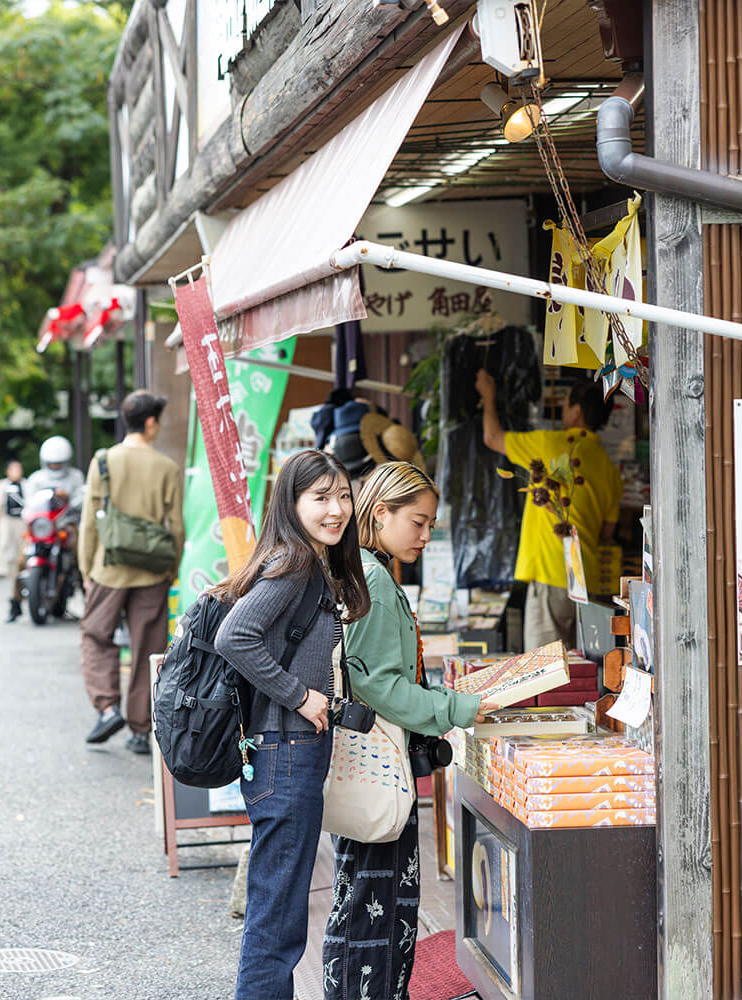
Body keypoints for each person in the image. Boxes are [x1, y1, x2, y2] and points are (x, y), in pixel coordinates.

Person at [322, 462, 495, 1000]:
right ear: (380, 513)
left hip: (368, 764)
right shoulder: (372, 576)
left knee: (367, 901)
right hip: (375, 766)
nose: (425, 534)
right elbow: (377, 686)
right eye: (417, 522)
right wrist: (458, 708)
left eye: (430, 524)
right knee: (375, 906)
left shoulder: (365, 570)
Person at [212, 450, 371, 1000]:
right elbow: (234, 636)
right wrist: (300, 694)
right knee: (277, 918)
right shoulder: (294, 563)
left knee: (277, 909)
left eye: (343, 496)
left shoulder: (303, 560)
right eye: (321, 498)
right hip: (285, 749)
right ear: (292, 502)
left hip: (283, 751)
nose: (337, 509)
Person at [475, 371, 624, 649]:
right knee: (583, 667)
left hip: (550, 572)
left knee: (547, 671)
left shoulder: (548, 444)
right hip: (586, 580)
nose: (563, 410)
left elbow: (492, 437)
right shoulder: (609, 468)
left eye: (566, 404)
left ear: (576, 412)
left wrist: (488, 395)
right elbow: (607, 532)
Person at [76, 394, 184, 753]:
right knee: (147, 648)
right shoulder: (166, 467)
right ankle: (141, 729)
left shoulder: (104, 461)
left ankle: (107, 707)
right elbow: (176, 527)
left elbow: (91, 520)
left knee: (95, 635)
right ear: (151, 422)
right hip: (152, 569)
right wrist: (171, 567)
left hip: (109, 568)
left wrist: (86, 565)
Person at [10, 435, 86, 622]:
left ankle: (89, 600)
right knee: (21, 559)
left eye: (59, 464)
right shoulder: (36, 479)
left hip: (66, 524)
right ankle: (15, 603)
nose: (55, 467)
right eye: (52, 464)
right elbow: (29, 504)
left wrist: (68, 499)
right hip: (42, 527)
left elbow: (81, 499)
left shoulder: (76, 477)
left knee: (82, 557)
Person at [0, 459, 26, 581]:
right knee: (3, 543)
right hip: (6, 518)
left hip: (21, 518)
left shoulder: (26, 484)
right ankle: (0, 569)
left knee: (22, 544)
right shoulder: (3, 485)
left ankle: (21, 567)